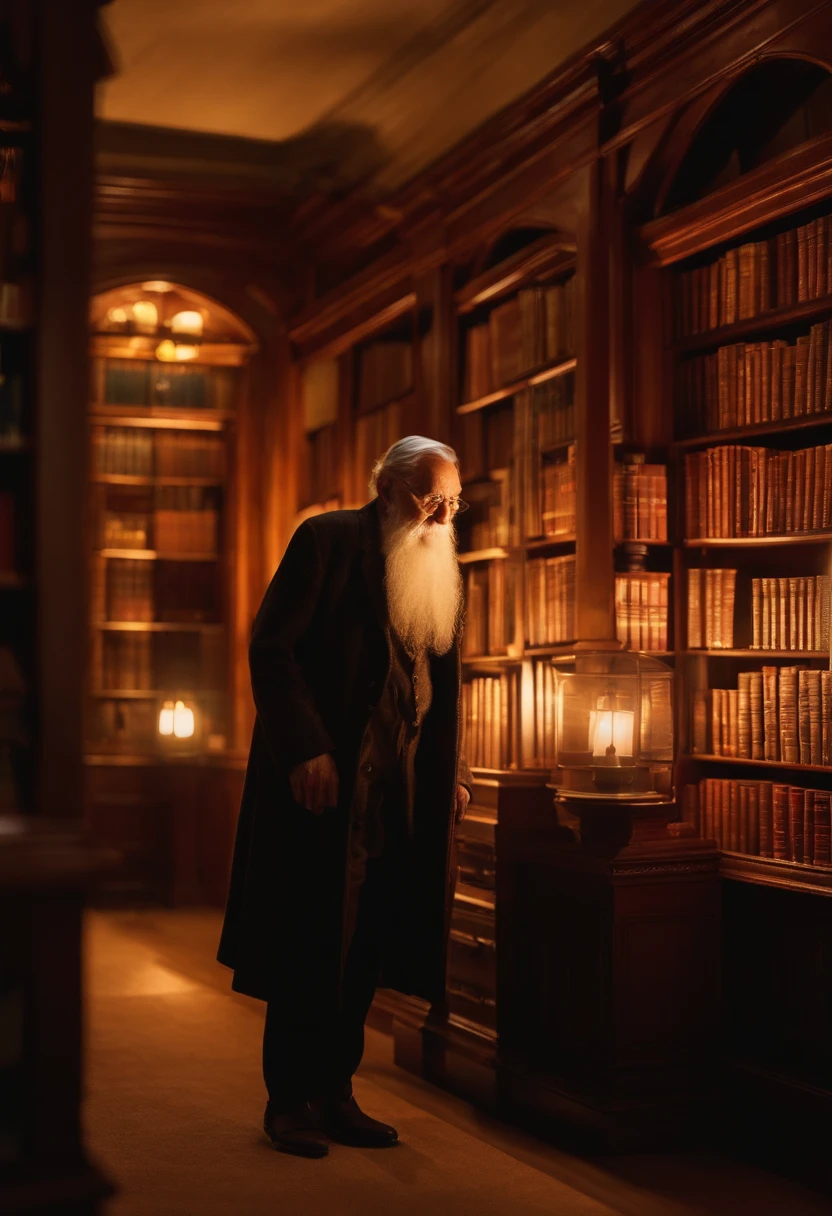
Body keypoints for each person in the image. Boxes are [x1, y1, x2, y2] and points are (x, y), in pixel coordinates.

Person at [218, 435, 473, 1158]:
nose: (443, 513)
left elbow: (444, 691)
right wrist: (306, 749)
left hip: (402, 793)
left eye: (454, 499)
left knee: (367, 943)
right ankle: (289, 1102)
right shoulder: (326, 541)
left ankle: (336, 1093)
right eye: (431, 497)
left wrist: (451, 772)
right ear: (388, 489)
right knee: (310, 939)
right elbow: (271, 649)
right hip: (325, 790)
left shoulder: (447, 568)